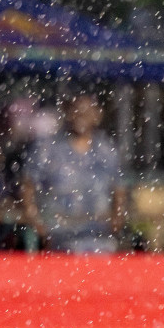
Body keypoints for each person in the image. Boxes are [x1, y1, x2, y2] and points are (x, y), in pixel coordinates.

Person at [20, 93, 127, 252]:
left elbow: (119, 189)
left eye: (87, 112)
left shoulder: (107, 150)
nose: (81, 117)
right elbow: (27, 187)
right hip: (59, 239)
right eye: (76, 111)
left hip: (100, 238)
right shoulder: (47, 149)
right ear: (68, 113)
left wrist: (117, 218)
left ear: (98, 115)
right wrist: (38, 224)